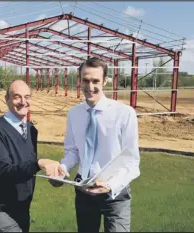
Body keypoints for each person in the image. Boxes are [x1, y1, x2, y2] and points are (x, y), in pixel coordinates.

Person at [49, 57, 141, 232]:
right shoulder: (74, 114)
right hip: (83, 192)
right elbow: (72, 151)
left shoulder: (124, 113)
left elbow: (132, 162)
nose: (90, 87)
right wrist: (61, 170)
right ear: (80, 80)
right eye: (85, 80)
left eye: (95, 81)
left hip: (114, 194)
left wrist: (110, 185)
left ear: (105, 81)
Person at [0, 80, 68, 233]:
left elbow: (26, 165)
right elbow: (2, 170)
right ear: (6, 99)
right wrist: (38, 163)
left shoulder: (31, 129)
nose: (23, 102)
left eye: (27, 97)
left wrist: (53, 177)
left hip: (22, 208)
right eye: (17, 97)